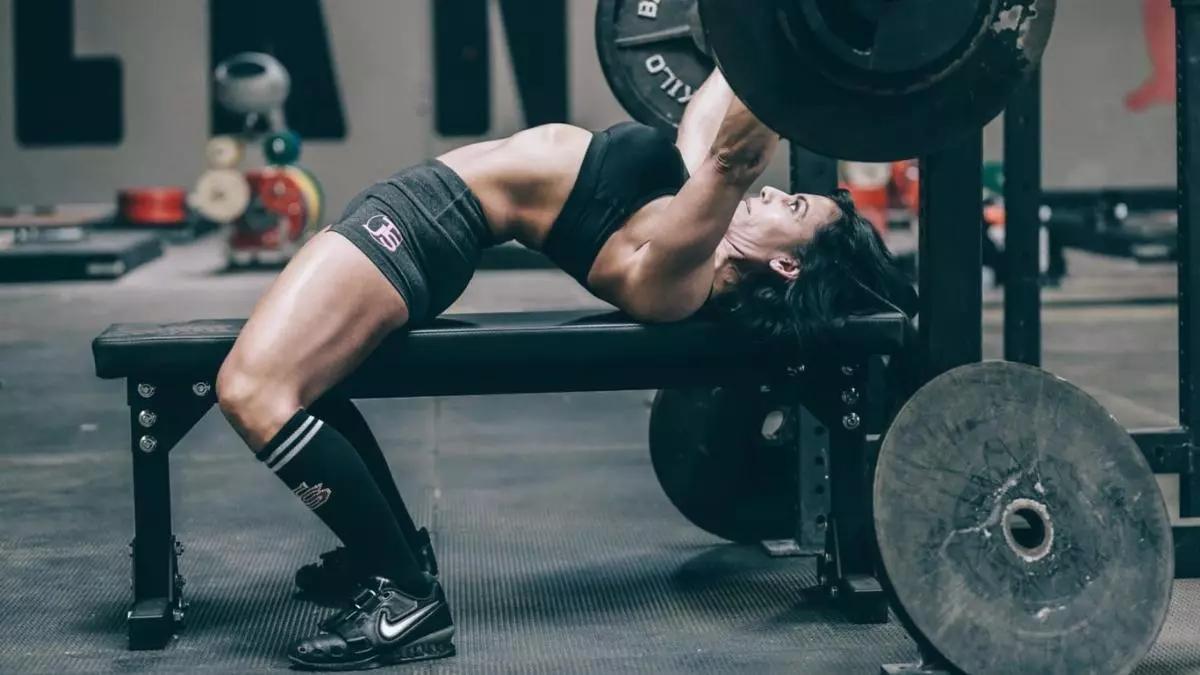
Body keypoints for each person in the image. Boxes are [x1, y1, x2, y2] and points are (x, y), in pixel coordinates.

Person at [215, 70, 917, 670]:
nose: (772, 193)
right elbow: (715, 104)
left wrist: (797, 46)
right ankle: (390, 550)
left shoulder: (684, 268)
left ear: (788, 264)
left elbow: (738, 152)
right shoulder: (695, 211)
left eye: (792, 205)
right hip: (423, 207)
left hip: (430, 224)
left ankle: (406, 594)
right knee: (303, 382)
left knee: (251, 391)